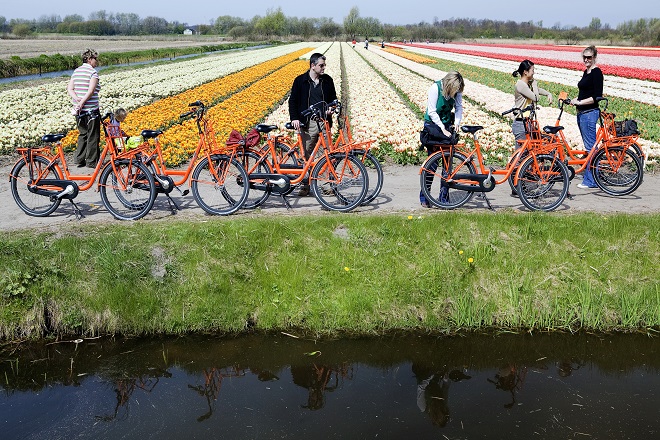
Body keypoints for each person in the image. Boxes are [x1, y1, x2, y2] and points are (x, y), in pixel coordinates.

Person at [288, 52, 338, 196]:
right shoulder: (300, 81)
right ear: (313, 66)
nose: (324, 68)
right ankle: (305, 185)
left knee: (329, 154)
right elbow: (293, 101)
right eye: (321, 65)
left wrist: (331, 109)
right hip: (308, 123)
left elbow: (333, 99)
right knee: (306, 154)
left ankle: (330, 184)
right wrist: (295, 118)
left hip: (324, 122)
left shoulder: (327, 80)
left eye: (324, 65)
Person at [419, 71, 464, 208]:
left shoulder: (457, 91)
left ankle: (443, 198)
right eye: (454, 90)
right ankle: (425, 196)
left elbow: (459, 107)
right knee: (432, 164)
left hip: (446, 123)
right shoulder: (435, 88)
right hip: (433, 125)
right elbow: (432, 111)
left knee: (447, 163)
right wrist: (442, 128)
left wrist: (456, 123)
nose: (456, 93)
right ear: (449, 86)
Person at [569, 45, 603, 189]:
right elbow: (584, 92)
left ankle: (591, 181)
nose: (587, 60)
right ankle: (595, 176)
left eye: (589, 57)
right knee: (589, 146)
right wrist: (574, 100)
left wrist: (581, 102)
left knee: (591, 148)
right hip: (582, 113)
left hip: (589, 113)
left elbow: (596, 97)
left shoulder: (596, 73)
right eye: (585, 57)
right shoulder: (586, 72)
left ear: (594, 57)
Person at [67, 48, 101, 168]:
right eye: (95, 59)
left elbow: (70, 89)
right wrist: (82, 102)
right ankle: (91, 162)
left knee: (82, 134)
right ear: (90, 59)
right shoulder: (93, 73)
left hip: (79, 111)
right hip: (91, 110)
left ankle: (79, 159)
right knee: (93, 135)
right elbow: (91, 91)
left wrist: (77, 100)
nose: (96, 62)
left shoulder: (76, 71)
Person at [511, 60, 553, 148]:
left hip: (526, 123)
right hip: (521, 124)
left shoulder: (525, 84)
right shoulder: (521, 85)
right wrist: (534, 84)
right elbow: (536, 98)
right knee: (521, 156)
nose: (534, 73)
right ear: (525, 72)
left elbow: (537, 90)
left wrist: (548, 93)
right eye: (532, 70)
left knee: (528, 153)